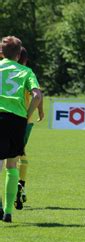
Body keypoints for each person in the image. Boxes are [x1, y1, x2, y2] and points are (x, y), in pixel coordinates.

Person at [0, 36, 42, 222]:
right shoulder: (26, 71)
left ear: (1, 53)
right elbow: (37, 95)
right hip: (16, 119)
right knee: (12, 165)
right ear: (19, 55)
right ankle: (8, 211)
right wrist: (27, 113)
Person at [15, 46, 45, 210]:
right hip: (26, 120)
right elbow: (38, 93)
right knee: (20, 152)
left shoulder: (7, 71)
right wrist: (40, 111)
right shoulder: (28, 72)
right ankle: (21, 184)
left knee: (7, 158)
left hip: (8, 116)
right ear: (25, 59)